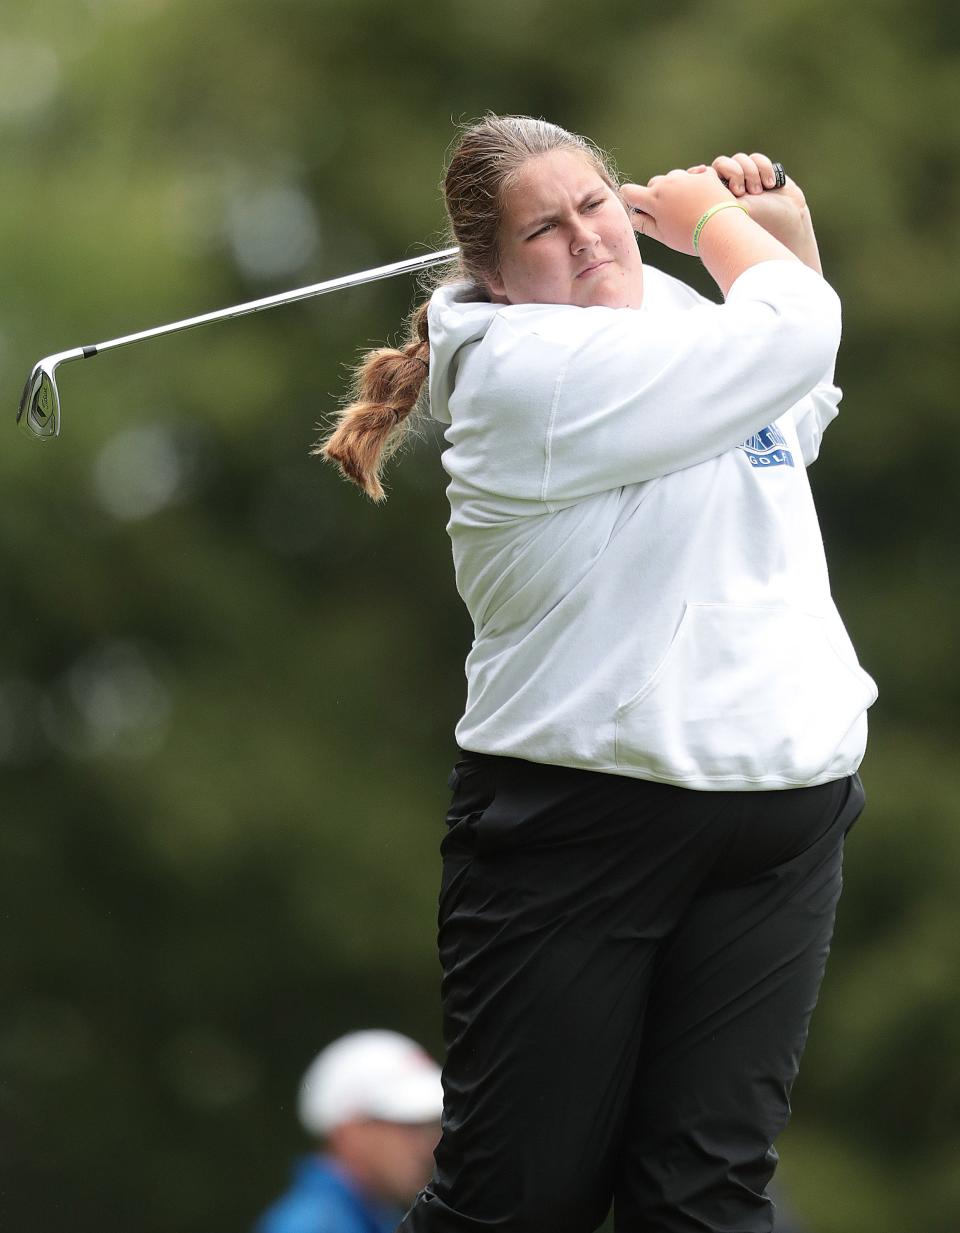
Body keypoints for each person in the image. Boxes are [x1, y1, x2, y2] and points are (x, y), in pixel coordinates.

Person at [319, 116, 877, 1232]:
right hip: (580, 822)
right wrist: (724, 226)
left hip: (778, 813)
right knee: (518, 1204)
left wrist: (786, 244)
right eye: (543, 229)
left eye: (592, 206)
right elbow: (793, 339)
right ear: (494, 274)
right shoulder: (529, 374)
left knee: (707, 1194)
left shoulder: (666, 317)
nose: (584, 241)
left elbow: (791, 408)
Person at [254, 1030, 443, 1233]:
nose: (428, 1147)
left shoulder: (370, 1218)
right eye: (409, 1125)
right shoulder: (315, 1225)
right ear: (350, 1131)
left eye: (431, 1126)